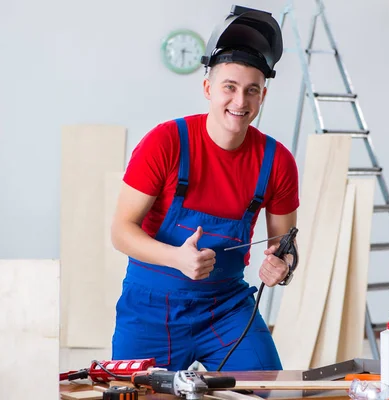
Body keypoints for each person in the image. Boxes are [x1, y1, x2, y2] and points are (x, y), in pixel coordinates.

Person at [110, 6, 299, 372]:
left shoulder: (276, 161)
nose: (240, 102)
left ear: (263, 96)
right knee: (136, 397)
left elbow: (285, 247)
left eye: (252, 91)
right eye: (229, 87)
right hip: (150, 309)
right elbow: (120, 231)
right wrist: (177, 258)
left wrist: (284, 267)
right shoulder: (165, 142)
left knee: (269, 390)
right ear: (208, 88)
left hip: (226, 308)